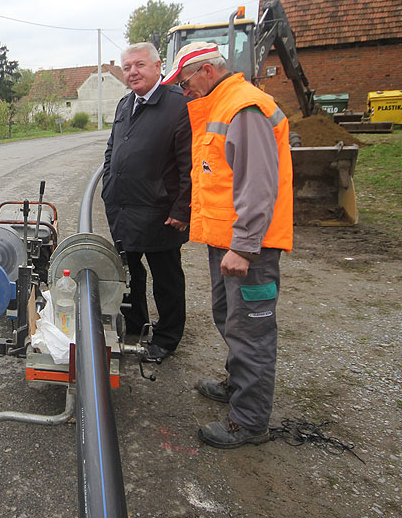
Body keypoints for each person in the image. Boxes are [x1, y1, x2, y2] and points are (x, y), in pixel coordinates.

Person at [163, 42, 293, 449]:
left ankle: (250, 421)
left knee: (252, 331)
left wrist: (246, 245)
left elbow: (258, 183)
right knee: (229, 319)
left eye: (185, 83)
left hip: (247, 249)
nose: (184, 92)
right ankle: (239, 386)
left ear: (205, 71)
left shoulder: (244, 108)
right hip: (227, 243)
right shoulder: (220, 105)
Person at [101, 42, 191, 363]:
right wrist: (109, 187)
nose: (132, 72)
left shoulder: (178, 105)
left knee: (165, 278)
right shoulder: (125, 104)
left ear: (157, 67)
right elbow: (113, 150)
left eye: (139, 65)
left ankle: (167, 337)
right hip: (123, 209)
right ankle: (136, 325)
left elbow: (187, 163)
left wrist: (182, 209)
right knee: (129, 274)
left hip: (160, 213)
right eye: (127, 67)